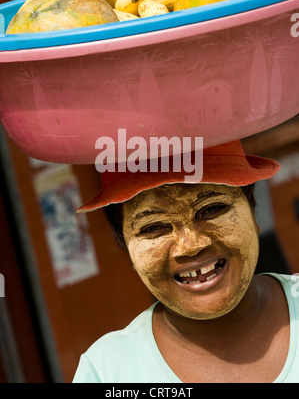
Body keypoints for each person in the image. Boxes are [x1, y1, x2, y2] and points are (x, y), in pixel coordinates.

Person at [72, 140, 299, 383]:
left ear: (252, 208)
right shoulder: (108, 371)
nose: (191, 245)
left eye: (211, 209)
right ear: (127, 249)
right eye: (154, 227)